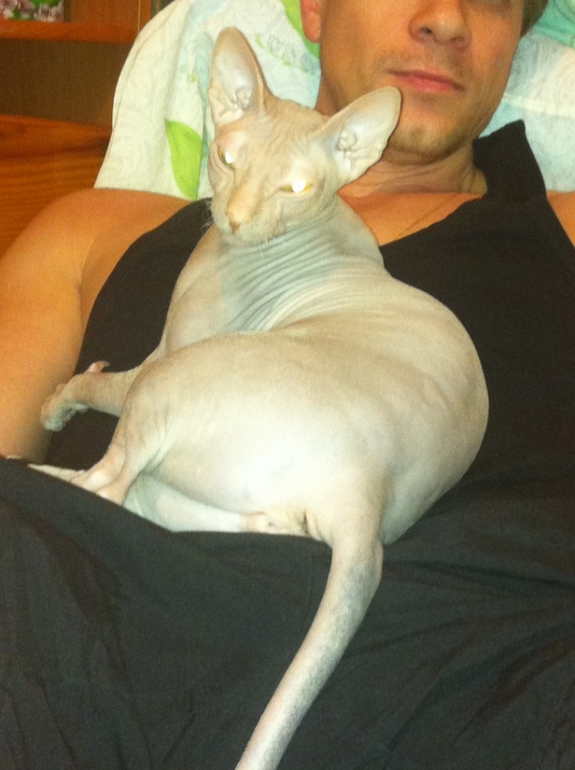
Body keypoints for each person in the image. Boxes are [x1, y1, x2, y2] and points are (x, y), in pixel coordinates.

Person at [0, 0, 574, 768]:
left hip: (474, 672)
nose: (444, 17)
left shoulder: (562, 229)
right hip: (79, 622)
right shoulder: (92, 228)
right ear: (312, 9)